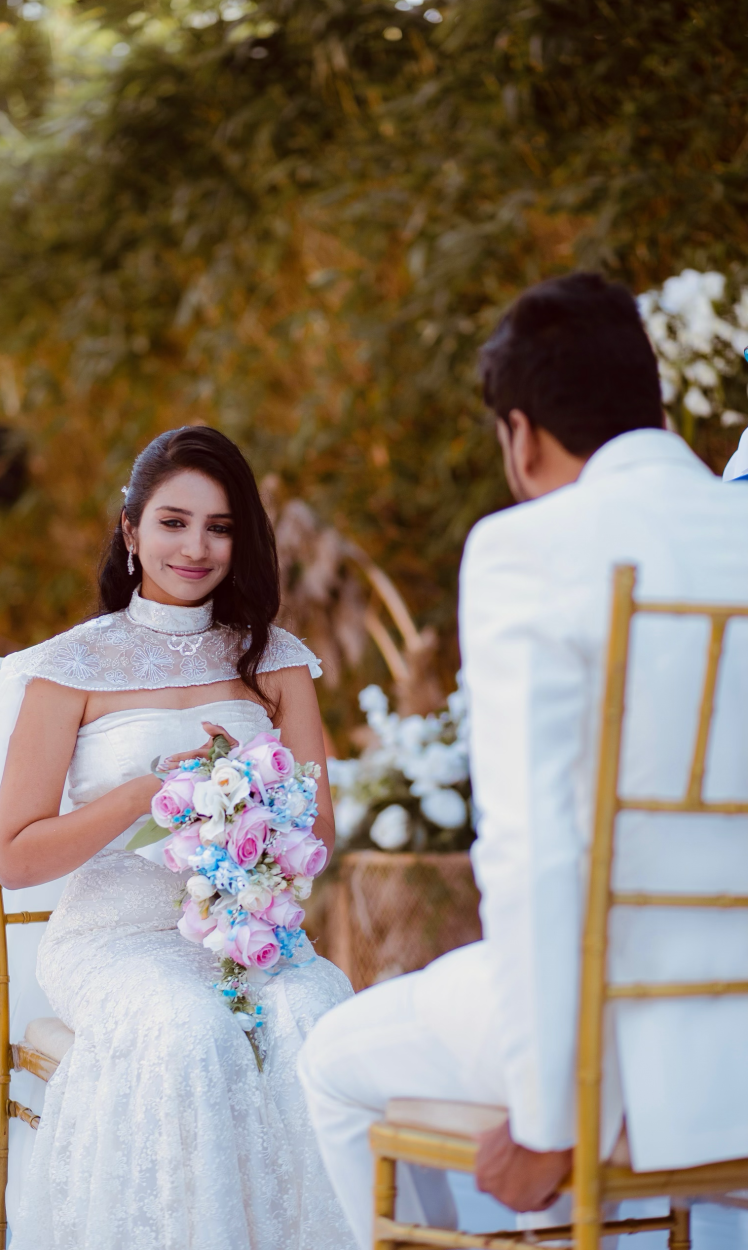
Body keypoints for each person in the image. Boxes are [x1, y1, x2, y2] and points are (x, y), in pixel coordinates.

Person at [299, 272, 748, 1247]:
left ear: (523, 432)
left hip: (618, 1047)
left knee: (330, 1055)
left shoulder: (525, 550)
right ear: (651, 403)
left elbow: (539, 850)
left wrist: (554, 1117)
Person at [0, 426, 355, 1250]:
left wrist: (245, 801)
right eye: (174, 522)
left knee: (317, 1012)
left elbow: (318, 824)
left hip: (248, 931)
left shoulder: (273, 657)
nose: (196, 546)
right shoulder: (71, 666)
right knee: (190, 1033)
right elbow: (17, 852)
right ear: (131, 532)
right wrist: (151, 795)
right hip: (114, 937)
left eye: (220, 526)